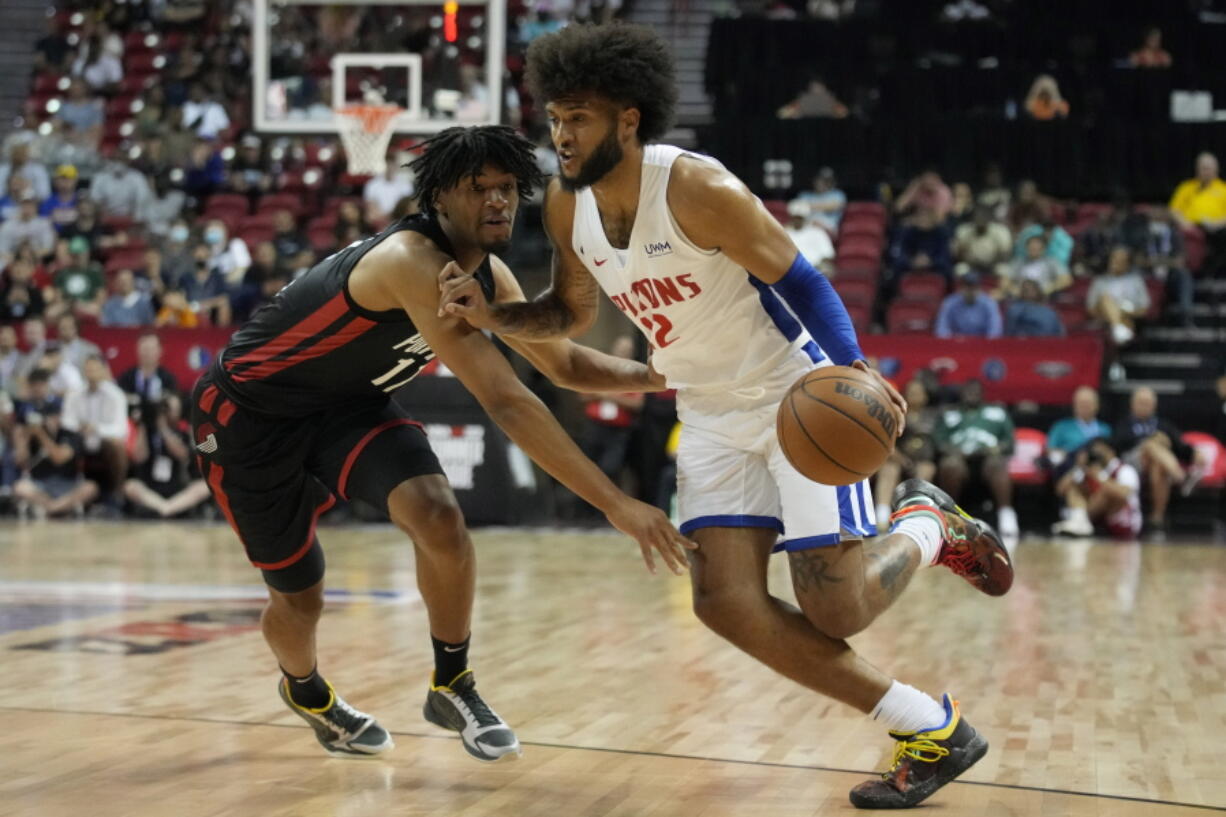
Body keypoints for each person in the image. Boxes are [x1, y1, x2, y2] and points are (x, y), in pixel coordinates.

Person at [439, 25, 1013, 809]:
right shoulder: (566, 207)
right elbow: (568, 316)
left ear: (629, 121)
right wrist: (494, 314)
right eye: (556, 117)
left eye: (580, 118)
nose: (561, 135)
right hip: (706, 409)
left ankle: (926, 524)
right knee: (723, 603)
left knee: (836, 605)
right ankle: (934, 729)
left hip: (792, 391)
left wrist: (851, 369)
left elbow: (805, 280)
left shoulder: (695, 189)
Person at [189, 125, 691, 763]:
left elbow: (562, 365)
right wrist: (617, 503)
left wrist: (654, 377)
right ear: (440, 198)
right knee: (300, 594)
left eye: (508, 187)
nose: (499, 201)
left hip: (346, 407)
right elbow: (506, 399)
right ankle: (307, 690)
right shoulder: (411, 263)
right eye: (479, 188)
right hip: (248, 419)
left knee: (439, 516)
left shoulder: (492, 273)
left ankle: (451, 682)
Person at [932, 379, 1019, 539]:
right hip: (960, 460)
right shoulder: (950, 413)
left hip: (988, 461)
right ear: (961, 393)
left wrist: (996, 449)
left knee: (997, 464)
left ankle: (1006, 514)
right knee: (950, 464)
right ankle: (950, 515)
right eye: (968, 391)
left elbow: (1010, 442)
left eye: (975, 391)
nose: (971, 394)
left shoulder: (997, 412)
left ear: (982, 394)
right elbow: (938, 442)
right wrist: (952, 450)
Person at [1112, 386, 1202, 538]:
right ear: (1132, 404)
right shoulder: (1124, 424)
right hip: (1131, 464)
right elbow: (1117, 445)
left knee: (1159, 467)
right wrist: (1151, 440)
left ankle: (1156, 518)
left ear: (1154, 406)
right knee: (1151, 445)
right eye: (1141, 402)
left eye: (1147, 403)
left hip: (1157, 464)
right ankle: (1181, 477)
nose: (1144, 406)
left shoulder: (1163, 424)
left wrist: (1194, 453)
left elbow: (1180, 445)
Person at [124, 392, 212, 518]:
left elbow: (182, 455)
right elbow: (139, 457)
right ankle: (165, 508)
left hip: (176, 489)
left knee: (204, 487)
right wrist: (143, 425)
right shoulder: (147, 431)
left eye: (171, 408)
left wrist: (163, 428)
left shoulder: (182, 432)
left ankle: (166, 508)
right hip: (150, 488)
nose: (168, 412)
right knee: (130, 485)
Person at [60, 355, 130, 503]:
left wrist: (96, 428)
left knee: (116, 445)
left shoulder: (116, 395)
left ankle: (117, 494)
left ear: (104, 371)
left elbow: (121, 430)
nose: (91, 373)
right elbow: (66, 422)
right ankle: (63, 490)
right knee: (63, 444)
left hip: (103, 444)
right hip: (79, 441)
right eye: (88, 369)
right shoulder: (74, 394)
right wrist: (81, 428)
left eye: (95, 369)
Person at [12, 400, 98, 518]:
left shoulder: (71, 435)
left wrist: (41, 435)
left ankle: (53, 509)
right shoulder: (33, 434)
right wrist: (22, 439)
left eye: (56, 415)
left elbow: (59, 458)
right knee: (20, 487)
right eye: (49, 416)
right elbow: (21, 461)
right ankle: (57, 508)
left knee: (90, 488)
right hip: (41, 484)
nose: (53, 419)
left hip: (68, 484)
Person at [873, 377, 939, 528]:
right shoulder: (896, 414)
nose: (913, 396)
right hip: (899, 460)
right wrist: (901, 459)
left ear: (926, 396)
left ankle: (916, 515)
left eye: (917, 393)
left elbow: (937, 443)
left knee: (926, 469)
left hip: (924, 461)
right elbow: (888, 442)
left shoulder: (934, 416)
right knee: (889, 469)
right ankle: (882, 517)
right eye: (910, 393)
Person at [1051, 438, 1142, 538]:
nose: (1097, 453)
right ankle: (1079, 521)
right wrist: (1078, 467)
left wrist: (1099, 477)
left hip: (1123, 522)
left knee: (1106, 492)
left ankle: (1081, 522)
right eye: (1094, 451)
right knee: (1074, 489)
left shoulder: (1124, 470)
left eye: (1100, 450)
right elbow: (1060, 490)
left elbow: (1124, 494)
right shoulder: (1090, 469)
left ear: (1111, 451)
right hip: (1097, 520)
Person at [1169, 152, 1226, 275]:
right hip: (1191, 226)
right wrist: (1184, 223)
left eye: (1209, 168)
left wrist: (1217, 224)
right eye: (1203, 168)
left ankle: (1217, 273)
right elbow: (1174, 210)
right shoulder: (1186, 187)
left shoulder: (1223, 189)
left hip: (1217, 228)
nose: (1206, 171)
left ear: (1216, 169)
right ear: (1197, 169)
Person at [1087, 245, 1149, 346]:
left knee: (1125, 319)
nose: (1117, 263)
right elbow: (1091, 309)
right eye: (1115, 259)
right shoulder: (1099, 281)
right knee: (1105, 298)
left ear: (1128, 263)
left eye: (1122, 260)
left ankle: (1118, 329)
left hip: (1129, 317)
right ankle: (1118, 327)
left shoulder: (1136, 281)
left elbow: (1144, 309)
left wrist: (1124, 313)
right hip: (1104, 317)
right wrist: (1111, 314)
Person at [117, 331, 180, 427]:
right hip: (132, 426)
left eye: (151, 349)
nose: (147, 353)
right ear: (137, 349)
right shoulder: (126, 378)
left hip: (160, 427)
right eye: (144, 348)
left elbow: (174, 411)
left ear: (160, 350)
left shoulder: (168, 379)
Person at [1046, 386, 1112, 470]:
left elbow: (1110, 454)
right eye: (1081, 403)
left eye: (1088, 403)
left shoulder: (1105, 429)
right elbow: (1050, 450)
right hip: (1069, 471)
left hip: (1099, 472)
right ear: (1074, 405)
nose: (1085, 407)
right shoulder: (1061, 427)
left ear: (1097, 405)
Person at [934, 272, 1002, 338]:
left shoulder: (989, 303)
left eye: (974, 287)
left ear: (979, 288)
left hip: (982, 344)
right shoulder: (950, 302)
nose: (970, 291)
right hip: (956, 343)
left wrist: (987, 343)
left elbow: (995, 331)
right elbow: (942, 328)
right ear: (961, 288)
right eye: (967, 287)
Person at [782, 199, 835, 271]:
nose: (797, 220)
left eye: (800, 218)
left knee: (826, 269)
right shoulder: (784, 233)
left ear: (805, 218)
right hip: (790, 270)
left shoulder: (817, 232)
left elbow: (827, 254)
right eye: (795, 217)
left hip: (814, 269)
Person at [795, 166, 846, 235]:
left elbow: (834, 206)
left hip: (827, 227)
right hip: (806, 225)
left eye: (827, 181)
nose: (823, 183)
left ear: (832, 182)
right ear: (815, 180)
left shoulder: (837, 194)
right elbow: (795, 208)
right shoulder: (805, 195)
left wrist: (807, 206)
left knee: (816, 225)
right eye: (820, 179)